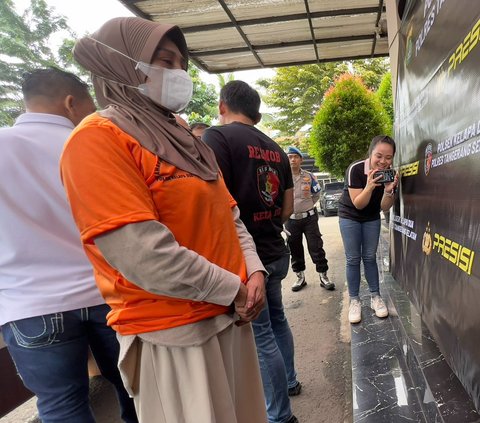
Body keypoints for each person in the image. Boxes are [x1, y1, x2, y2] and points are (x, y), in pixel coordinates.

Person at [60, 17, 268, 423]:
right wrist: (235, 290)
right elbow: (142, 254)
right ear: (121, 65)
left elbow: (230, 216)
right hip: (175, 332)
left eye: (181, 64)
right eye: (164, 62)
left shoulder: (186, 140)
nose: (178, 74)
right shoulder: (97, 139)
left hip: (231, 315)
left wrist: (254, 273)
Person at [0, 68, 138, 423]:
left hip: (29, 304)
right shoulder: (91, 144)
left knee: (62, 405)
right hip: (108, 294)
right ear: (70, 103)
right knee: (135, 389)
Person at [203, 80, 300, 423]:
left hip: (246, 258)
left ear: (222, 105)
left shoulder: (217, 138)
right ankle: (289, 380)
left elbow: (214, 204)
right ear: (255, 112)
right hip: (274, 247)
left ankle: (280, 416)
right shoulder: (276, 149)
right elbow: (287, 208)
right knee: (277, 320)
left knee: (260, 337)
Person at [337, 135, 398, 324]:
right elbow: (358, 204)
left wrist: (388, 190)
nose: (383, 161)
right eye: (379, 155)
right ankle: (354, 300)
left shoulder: (390, 173)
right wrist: (371, 186)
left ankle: (375, 297)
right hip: (350, 215)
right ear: (370, 153)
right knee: (353, 258)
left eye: (388, 157)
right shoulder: (355, 169)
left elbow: (385, 207)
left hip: (372, 217)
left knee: (370, 257)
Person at [285, 146, 335, 292]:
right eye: (289, 157)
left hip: (309, 218)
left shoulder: (309, 177)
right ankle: (300, 277)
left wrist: (305, 206)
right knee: (294, 248)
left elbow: (316, 194)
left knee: (316, 247)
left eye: (295, 156)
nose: (292, 159)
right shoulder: (283, 177)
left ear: (300, 159)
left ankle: (323, 276)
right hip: (291, 220)